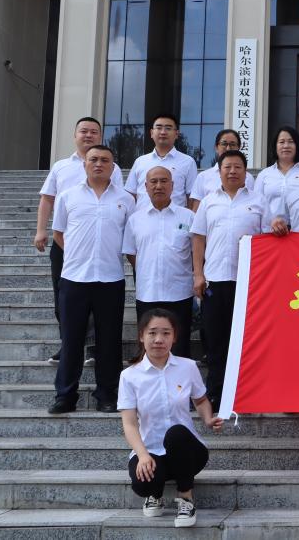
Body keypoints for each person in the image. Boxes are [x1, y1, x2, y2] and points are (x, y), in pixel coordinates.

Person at [48, 145, 135, 414]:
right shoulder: (68, 196)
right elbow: (58, 234)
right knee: (71, 340)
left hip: (111, 279)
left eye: (105, 160)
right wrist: (78, 255)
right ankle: (65, 396)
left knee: (109, 341)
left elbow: (131, 238)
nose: (99, 164)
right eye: (93, 159)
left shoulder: (126, 199)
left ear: (113, 166)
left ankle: (106, 395)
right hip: (74, 278)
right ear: (85, 164)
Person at [119, 308, 223, 527]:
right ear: (141, 336)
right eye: (152, 333)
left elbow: (201, 400)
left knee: (176, 434)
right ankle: (154, 494)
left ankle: (186, 498)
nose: (159, 339)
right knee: (142, 483)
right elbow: (129, 424)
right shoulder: (129, 376)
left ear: (174, 337)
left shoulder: (188, 367)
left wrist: (207, 419)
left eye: (166, 333)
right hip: (151, 451)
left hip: (187, 452)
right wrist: (142, 455)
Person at [34, 117, 123, 364]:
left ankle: (94, 346)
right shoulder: (61, 166)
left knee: (96, 296)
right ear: (75, 136)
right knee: (63, 296)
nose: (89, 135)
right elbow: (47, 199)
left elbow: (118, 199)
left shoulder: (112, 168)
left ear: (100, 137)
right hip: (65, 241)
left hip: (98, 244)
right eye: (84, 131)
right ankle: (68, 344)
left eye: (94, 132)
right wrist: (41, 230)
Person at [191, 150, 266, 410]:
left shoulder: (259, 201)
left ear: (246, 172)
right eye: (227, 167)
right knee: (215, 340)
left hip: (248, 284)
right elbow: (198, 238)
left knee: (246, 341)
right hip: (214, 280)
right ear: (219, 171)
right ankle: (216, 393)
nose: (232, 171)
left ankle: (245, 394)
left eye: (237, 167)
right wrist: (198, 274)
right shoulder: (209, 202)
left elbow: (269, 239)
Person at [122, 166, 196, 358]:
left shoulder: (188, 216)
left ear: (172, 185)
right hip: (148, 292)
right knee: (150, 347)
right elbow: (131, 253)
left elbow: (196, 251)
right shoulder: (135, 220)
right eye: (153, 182)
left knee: (179, 347)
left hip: (180, 292)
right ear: (146, 187)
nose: (159, 186)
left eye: (164, 181)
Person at [125, 114, 199, 209]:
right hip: (142, 217)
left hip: (175, 217)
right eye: (159, 128)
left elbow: (192, 197)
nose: (163, 132)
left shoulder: (188, 162)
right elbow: (130, 196)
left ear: (176, 134)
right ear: (152, 133)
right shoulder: (140, 161)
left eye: (168, 128)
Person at [189, 129, 255, 213]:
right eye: (224, 144)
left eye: (232, 144)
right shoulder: (203, 177)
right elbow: (196, 210)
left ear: (239, 147)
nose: (228, 148)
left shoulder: (248, 177)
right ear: (216, 147)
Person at [255, 126, 299, 222]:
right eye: (281, 142)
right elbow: (256, 204)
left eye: (291, 142)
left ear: (297, 145)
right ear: (275, 146)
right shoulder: (264, 174)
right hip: (270, 228)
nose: (286, 146)